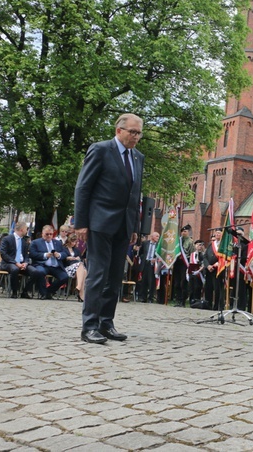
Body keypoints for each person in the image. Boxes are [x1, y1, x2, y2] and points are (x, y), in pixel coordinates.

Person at [74, 113, 144, 344]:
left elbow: (135, 195)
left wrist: (134, 226)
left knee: (115, 276)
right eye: (132, 132)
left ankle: (106, 323)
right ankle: (89, 326)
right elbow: (83, 187)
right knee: (98, 273)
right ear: (119, 131)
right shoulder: (101, 150)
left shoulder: (138, 158)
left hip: (123, 226)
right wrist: (81, 222)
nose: (136, 136)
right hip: (100, 222)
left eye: (139, 133)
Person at [0, 221, 45, 298]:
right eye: (26, 229)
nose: (27, 231)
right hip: (9, 263)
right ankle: (14, 292)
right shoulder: (7, 239)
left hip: (22, 263)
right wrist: (16, 263)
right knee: (15, 269)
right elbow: (3, 254)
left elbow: (27, 255)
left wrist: (25, 263)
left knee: (35, 272)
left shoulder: (24, 241)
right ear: (22, 230)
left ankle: (25, 291)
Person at [29, 225, 69, 299]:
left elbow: (65, 253)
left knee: (64, 277)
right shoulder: (36, 242)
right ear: (42, 233)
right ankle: (43, 293)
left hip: (55, 266)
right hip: (42, 264)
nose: (49, 236)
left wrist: (59, 255)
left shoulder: (57, 243)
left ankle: (49, 291)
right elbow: (32, 254)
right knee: (40, 272)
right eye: (47, 234)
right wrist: (44, 255)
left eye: (51, 234)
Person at [172, 224, 195, 307]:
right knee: (177, 283)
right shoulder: (178, 241)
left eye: (185, 231)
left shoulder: (190, 241)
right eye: (182, 231)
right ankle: (178, 299)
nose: (183, 233)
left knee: (183, 282)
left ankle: (183, 301)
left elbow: (192, 253)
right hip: (177, 262)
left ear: (188, 232)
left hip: (185, 263)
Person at [61, 232, 87, 301]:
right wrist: (68, 258)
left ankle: (80, 292)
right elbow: (62, 258)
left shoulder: (76, 250)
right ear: (69, 241)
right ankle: (81, 292)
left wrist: (78, 258)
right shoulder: (63, 248)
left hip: (77, 269)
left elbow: (80, 259)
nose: (74, 244)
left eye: (75, 242)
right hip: (68, 268)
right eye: (73, 242)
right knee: (82, 268)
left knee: (83, 269)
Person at [137, 232, 159, 303]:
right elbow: (141, 252)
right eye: (157, 236)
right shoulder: (145, 243)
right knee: (144, 281)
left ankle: (151, 298)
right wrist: (143, 257)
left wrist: (155, 259)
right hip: (145, 263)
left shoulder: (159, 245)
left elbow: (161, 255)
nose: (158, 238)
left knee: (151, 282)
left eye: (158, 236)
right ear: (152, 236)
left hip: (152, 265)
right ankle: (143, 297)